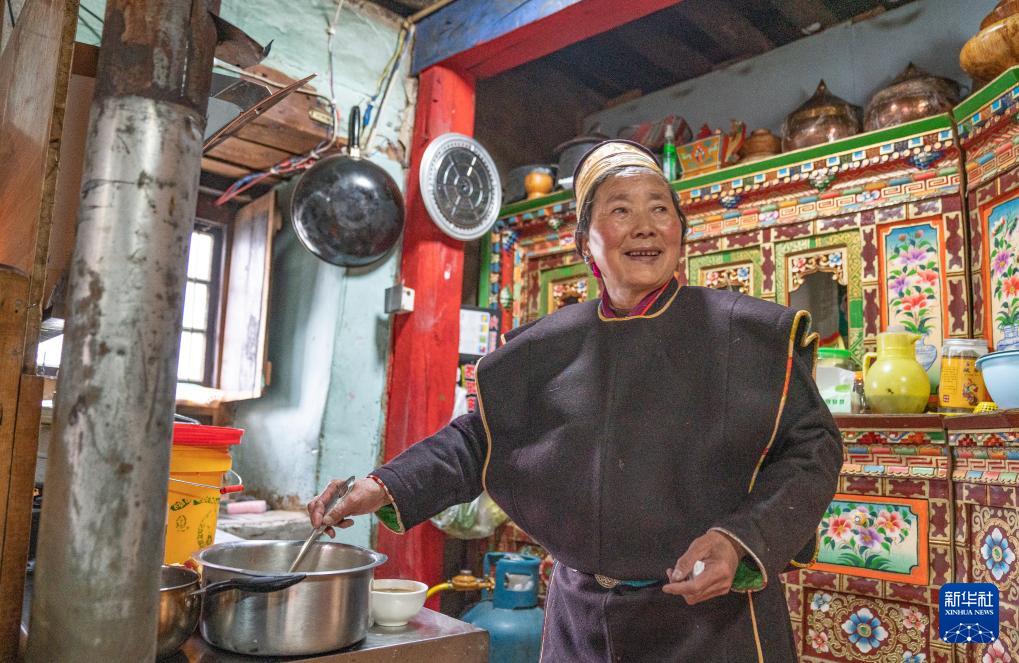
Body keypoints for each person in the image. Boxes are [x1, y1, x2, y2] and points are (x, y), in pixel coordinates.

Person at [308, 140, 843, 662]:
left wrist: (740, 539)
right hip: (580, 623)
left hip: (711, 624)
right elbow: (479, 441)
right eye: (621, 209)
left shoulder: (743, 334)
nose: (645, 226)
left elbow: (813, 449)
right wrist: (381, 486)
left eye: (660, 208)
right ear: (585, 242)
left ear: (680, 233)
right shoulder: (545, 347)